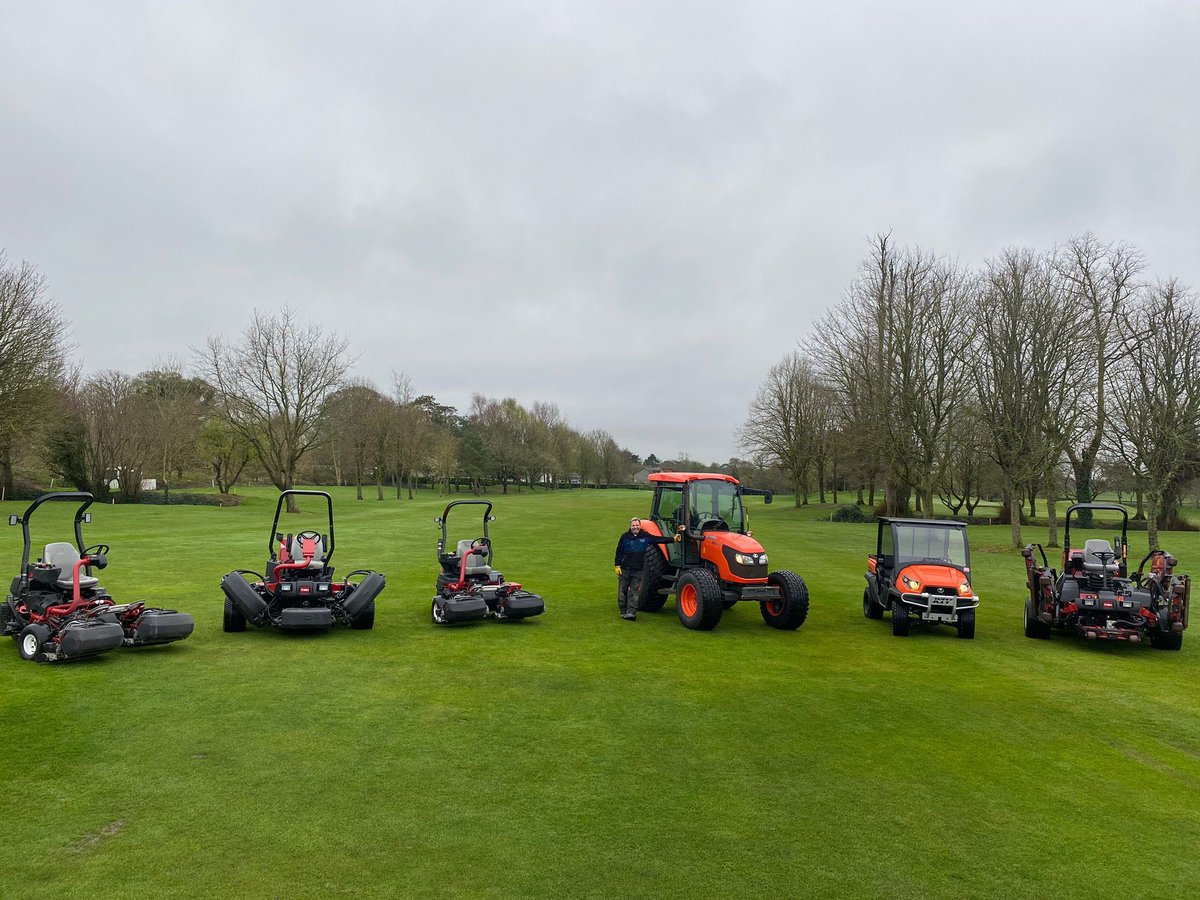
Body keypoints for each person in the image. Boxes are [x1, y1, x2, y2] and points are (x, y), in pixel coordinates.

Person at [613, 517, 680, 620]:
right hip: (625, 569)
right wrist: (617, 565)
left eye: (637, 525)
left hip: (637, 570)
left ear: (639, 526)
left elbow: (658, 539)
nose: (635, 527)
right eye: (633, 525)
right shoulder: (625, 537)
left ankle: (631, 613)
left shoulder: (645, 537)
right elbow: (619, 551)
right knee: (622, 591)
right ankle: (623, 611)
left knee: (634, 591)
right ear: (630, 526)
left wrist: (673, 539)